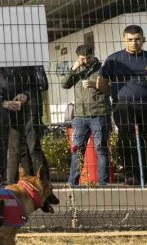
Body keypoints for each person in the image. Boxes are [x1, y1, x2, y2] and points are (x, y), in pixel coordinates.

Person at [0, 51, 48, 184]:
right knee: (6, 141)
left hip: (20, 103)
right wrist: (1, 101)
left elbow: (37, 81)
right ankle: (1, 182)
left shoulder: (21, 50)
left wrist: (25, 94)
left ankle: (30, 183)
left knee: (28, 146)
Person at [101, 25, 147, 184]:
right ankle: (131, 173)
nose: (134, 43)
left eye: (137, 39)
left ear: (143, 39)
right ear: (124, 40)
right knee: (127, 139)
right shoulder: (114, 59)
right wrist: (116, 96)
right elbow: (103, 84)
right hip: (123, 105)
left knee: (145, 138)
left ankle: (144, 173)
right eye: (130, 40)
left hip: (145, 104)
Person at [62, 44, 111, 186]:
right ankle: (73, 183)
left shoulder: (102, 69)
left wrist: (95, 85)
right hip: (79, 116)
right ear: (78, 58)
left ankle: (103, 183)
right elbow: (64, 84)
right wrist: (73, 69)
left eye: (88, 58)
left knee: (101, 149)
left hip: (99, 114)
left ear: (93, 55)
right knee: (77, 150)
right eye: (82, 59)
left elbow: (109, 90)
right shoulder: (77, 70)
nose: (86, 61)